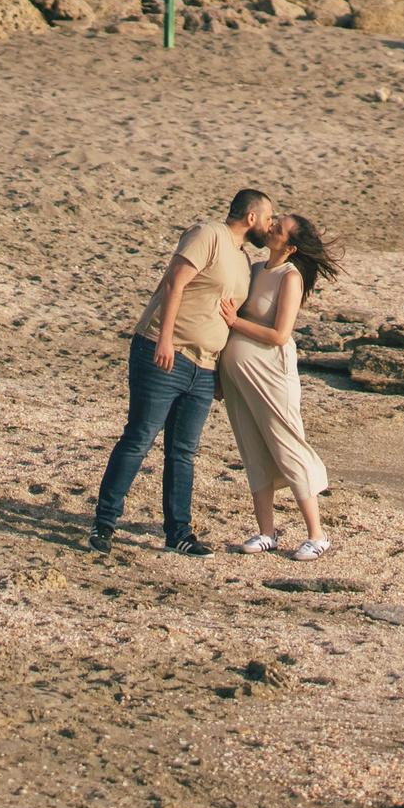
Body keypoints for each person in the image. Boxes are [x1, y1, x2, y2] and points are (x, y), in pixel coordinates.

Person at [89, 189, 274, 555]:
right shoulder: (208, 234)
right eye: (269, 217)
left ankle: (179, 535)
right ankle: (104, 525)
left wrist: (219, 372)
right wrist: (165, 340)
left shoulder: (243, 259)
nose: (271, 224)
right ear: (251, 217)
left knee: (183, 452)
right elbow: (174, 281)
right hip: (164, 353)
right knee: (139, 439)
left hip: (204, 366)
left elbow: (226, 316)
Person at [216, 214, 340, 560]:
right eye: (274, 223)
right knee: (252, 448)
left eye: (279, 229)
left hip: (273, 374)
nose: (271, 228)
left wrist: (235, 321)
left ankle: (317, 534)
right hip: (237, 376)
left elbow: (279, 335)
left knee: (287, 445)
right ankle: (266, 532)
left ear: (290, 246)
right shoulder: (255, 269)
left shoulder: (290, 277)